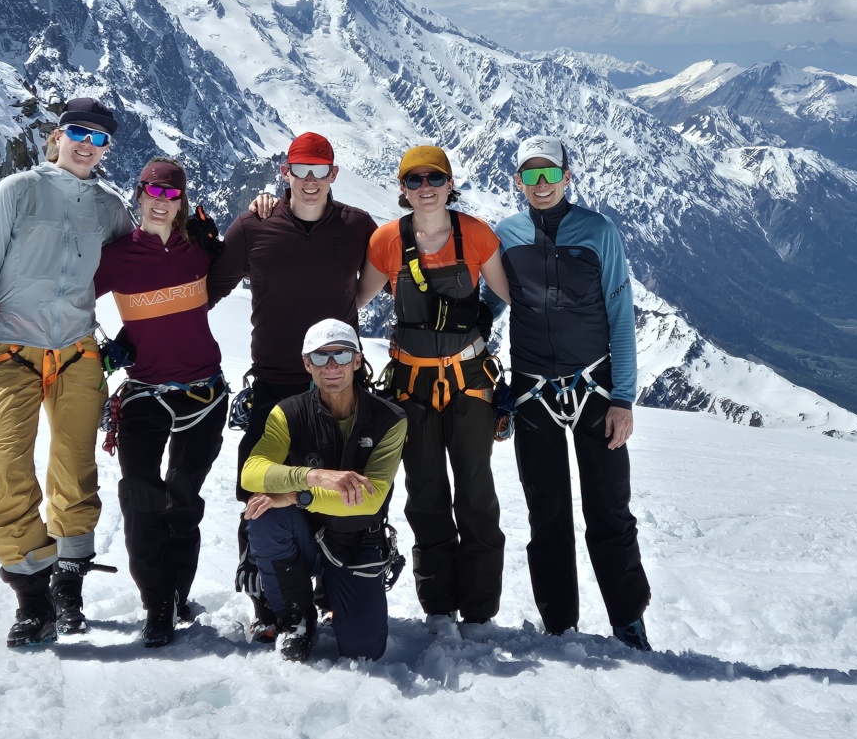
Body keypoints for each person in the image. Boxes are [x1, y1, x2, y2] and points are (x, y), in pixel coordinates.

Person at [0, 97, 134, 649]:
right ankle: (32, 596)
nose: (87, 145)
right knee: (5, 464)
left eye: (99, 139)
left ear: (107, 149)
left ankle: (67, 591)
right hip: (11, 350)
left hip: (78, 352)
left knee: (75, 471)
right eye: (78, 132)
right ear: (57, 136)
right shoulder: (18, 191)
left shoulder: (108, 208)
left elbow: (140, 268)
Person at [207, 132, 377, 637]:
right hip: (275, 385)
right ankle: (271, 601)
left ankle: (332, 591)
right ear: (285, 172)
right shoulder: (254, 226)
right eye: (300, 170)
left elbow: (392, 270)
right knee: (261, 491)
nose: (309, 180)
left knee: (342, 485)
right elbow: (207, 290)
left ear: (333, 174)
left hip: (337, 384)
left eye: (319, 170)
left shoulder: (357, 226)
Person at [494, 137, 652, 649]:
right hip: (531, 393)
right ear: (518, 180)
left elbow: (620, 315)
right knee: (547, 515)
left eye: (550, 174)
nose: (541, 185)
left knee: (609, 510)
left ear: (567, 175)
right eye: (530, 175)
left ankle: (628, 621)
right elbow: (490, 305)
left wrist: (623, 399)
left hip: (597, 389)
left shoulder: (599, 232)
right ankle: (559, 624)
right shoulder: (506, 236)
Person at [356, 145, 511, 634]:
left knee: (476, 491)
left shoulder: (477, 235)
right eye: (414, 180)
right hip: (411, 383)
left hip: (469, 381)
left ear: (450, 184)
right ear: (402, 189)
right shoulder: (386, 241)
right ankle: (439, 606)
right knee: (424, 492)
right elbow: (353, 301)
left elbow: (512, 296)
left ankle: (479, 610)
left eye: (435, 178)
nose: (425, 188)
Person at [93, 157, 227, 647]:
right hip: (145, 393)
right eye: (152, 192)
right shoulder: (117, 257)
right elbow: (67, 296)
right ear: (138, 194)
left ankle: (176, 594)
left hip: (204, 392)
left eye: (171, 195)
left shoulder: (200, 249)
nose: (160, 202)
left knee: (183, 497)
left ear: (181, 202)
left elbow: (242, 264)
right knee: (140, 495)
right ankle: (157, 603)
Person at [241, 318, 408, 661]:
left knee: (363, 648)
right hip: (302, 533)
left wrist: (296, 495)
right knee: (265, 512)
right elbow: (251, 473)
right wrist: (315, 477)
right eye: (320, 357)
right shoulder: (288, 413)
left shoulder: (390, 419)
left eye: (341, 356)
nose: (331, 367)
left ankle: (332, 594)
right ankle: (295, 618)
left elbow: (369, 501)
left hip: (357, 539)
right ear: (307, 364)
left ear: (357, 361)